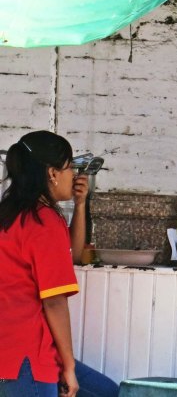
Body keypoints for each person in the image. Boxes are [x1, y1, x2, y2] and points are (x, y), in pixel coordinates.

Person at [0, 131, 119, 397]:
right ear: (52, 173)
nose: (75, 175)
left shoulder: (10, 215)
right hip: (27, 357)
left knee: (106, 392)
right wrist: (68, 367)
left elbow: (70, 256)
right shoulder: (44, 222)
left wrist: (79, 205)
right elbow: (54, 301)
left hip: (10, 352)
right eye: (70, 168)